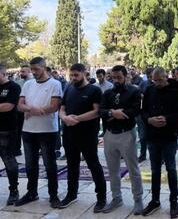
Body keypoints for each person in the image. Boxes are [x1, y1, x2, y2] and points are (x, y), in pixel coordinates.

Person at [58, 63, 107, 212]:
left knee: (94, 165)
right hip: (69, 134)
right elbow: (61, 109)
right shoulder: (69, 88)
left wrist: (77, 118)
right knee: (72, 165)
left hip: (87, 134)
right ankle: (71, 194)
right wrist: (65, 118)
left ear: (84, 73)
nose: (73, 78)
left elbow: (96, 111)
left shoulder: (94, 90)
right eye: (71, 75)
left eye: (76, 75)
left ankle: (101, 197)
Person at [16, 57, 62, 208]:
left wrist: (33, 110)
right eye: (32, 69)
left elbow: (54, 106)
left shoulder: (55, 84)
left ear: (44, 67)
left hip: (47, 130)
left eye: (36, 69)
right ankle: (32, 192)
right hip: (28, 129)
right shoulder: (28, 84)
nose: (33, 72)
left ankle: (53, 195)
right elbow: (20, 105)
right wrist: (31, 109)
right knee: (30, 164)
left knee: (49, 164)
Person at [100, 65, 143, 214]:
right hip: (110, 134)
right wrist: (113, 112)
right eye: (113, 77)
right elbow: (101, 110)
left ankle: (138, 199)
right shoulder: (107, 93)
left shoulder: (134, 91)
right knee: (113, 169)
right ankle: (116, 197)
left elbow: (135, 110)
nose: (116, 80)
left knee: (133, 169)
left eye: (119, 77)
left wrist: (119, 113)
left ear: (125, 76)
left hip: (127, 134)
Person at [141, 67, 178, 218]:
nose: (157, 83)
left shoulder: (175, 91)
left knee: (171, 169)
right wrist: (149, 120)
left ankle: (173, 200)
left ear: (166, 77)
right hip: (152, 136)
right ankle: (155, 200)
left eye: (160, 80)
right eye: (154, 80)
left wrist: (167, 119)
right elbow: (143, 111)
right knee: (155, 170)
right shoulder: (149, 91)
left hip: (169, 136)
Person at [0, 64, 21, 205]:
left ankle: (14, 190)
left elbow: (8, 106)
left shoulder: (13, 87)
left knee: (9, 161)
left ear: (2, 73)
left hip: (6, 130)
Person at [14, 64, 32, 156]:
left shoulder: (33, 82)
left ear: (29, 72)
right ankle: (17, 149)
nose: (21, 73)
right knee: (17, 130)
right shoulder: (17, 82)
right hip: (19, 110)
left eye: (23, 71)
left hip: (30, 111)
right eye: (21, 71)